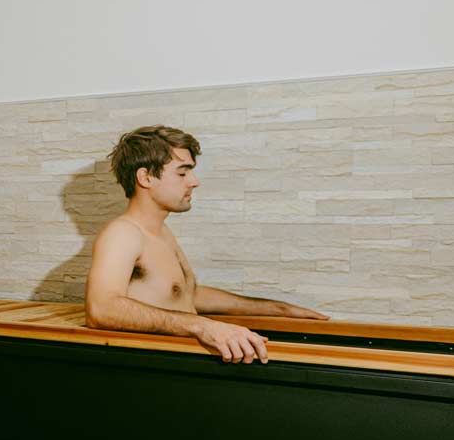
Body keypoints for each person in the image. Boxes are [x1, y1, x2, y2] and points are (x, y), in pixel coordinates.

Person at [84, 125, 326, 364]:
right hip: (150, 370)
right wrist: (203, 326)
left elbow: (187, 293)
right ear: (145, 177)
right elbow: (102, 308)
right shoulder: (123, 233)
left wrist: (278, 309)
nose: (194, 181)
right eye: (182, 173)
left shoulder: (161, 231)